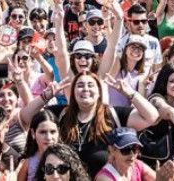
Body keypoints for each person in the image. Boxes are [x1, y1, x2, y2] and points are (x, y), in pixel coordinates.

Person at [20, 72, 159, 178]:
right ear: (73, 92)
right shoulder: (61, 113)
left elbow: (151, 117)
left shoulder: (112, 114)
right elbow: (26, 117)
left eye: (90, 85)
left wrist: (130, 93)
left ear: (99, 92)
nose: (85, 89)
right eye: (80, 85)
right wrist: (46, 96)